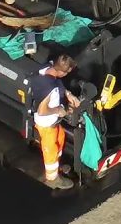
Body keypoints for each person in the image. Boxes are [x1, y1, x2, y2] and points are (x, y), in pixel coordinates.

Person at [30, 52, 82, 186]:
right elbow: (42, 111)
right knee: (51, 150)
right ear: (63, 72)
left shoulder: (48, 69)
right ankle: (52, 179)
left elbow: (57, 82)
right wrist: (58, 110)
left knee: (60, 138)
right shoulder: (47, 87)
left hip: (54, 123)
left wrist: (68, 94)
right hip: (46, 125)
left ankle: (56, 167)